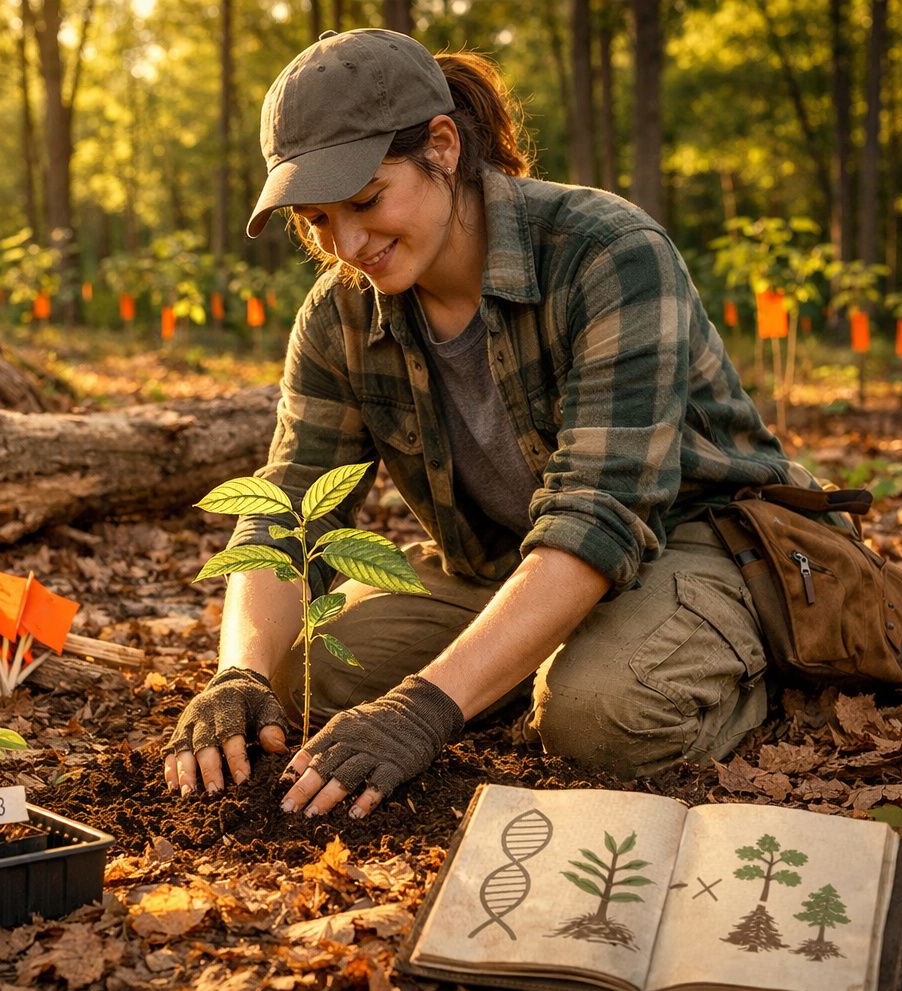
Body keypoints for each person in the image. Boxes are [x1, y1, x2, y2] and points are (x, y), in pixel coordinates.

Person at [163, 28, 813, 820]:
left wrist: (424, 709)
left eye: (366, 201)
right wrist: (238, 674)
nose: (348, 244)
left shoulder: (607, 253)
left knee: (600, 717)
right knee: (308, 677)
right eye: (317, 220)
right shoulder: (339, 314)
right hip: (498, 561)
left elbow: (600, 515)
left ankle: (745, 667)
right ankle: (522, 665)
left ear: (443, 147)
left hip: (689, 540)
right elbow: (293, 503)